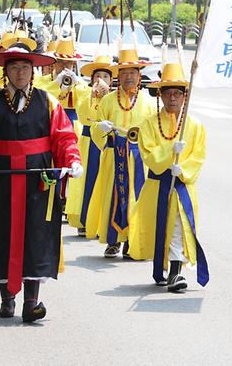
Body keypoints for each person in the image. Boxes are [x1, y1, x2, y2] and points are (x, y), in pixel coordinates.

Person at [0, 45, 82, 322]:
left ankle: (31, 303)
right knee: (1, 233)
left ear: (32, 72)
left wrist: (72, 160)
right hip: (0, 179)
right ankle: (7, 300)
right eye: (14, 68)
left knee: (36, 236)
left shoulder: (48, 102)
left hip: (38, 180)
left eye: (25, 68)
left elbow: (64, 136)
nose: (20, 73)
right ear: (6, 72)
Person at [136, 62, 208, 292]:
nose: (173, 98)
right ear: (161, 95)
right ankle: (161, 269)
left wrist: (183, 169)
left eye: (178, 93)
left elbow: (198, 155)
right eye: (168, 94)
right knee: (158, 229)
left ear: (185, 96)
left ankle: (176, 273)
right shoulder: (149, 124)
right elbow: (148, 154)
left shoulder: (195, 125)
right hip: (157, 185)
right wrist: (169, 152)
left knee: (178, 227)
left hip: (182, 185)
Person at [91, 48, 156, 258]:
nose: (129, 77)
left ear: (139, 76)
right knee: (113, 196)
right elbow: (96, 125)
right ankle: (113, 240)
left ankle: (132, 242)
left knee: (136, 198)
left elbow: (154, 130)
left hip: (138, 158)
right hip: (114, 156)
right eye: (125, 73)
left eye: (133, 73)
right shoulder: (109, 100)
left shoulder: (148, 102)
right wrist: (100, 127)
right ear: (118, 76)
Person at [68, 55, 114, 237]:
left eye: (105, 76)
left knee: (105, 182)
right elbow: (83, 116)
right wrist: (93, 96)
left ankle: (103, 222)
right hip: (89, 141)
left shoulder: (114, 98)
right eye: (98, 76)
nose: (101, 80)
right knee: (87, 180)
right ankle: (85, 220)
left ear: (111, 81)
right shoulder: (86, 95)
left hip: (108, 143)